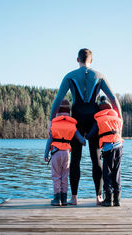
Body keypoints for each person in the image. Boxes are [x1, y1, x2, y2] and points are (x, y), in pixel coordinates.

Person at [48, 48, 123, 205]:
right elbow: (113, 98)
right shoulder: (100, 76)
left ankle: (74, 198)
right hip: (94, 119)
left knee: (75, 159)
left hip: (77, 119)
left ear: (78, 60)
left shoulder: (70, 76)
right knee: (96, 159)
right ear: (91, 60)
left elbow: (58, 100)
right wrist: (119, 119)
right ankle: (98, 197)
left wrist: (50, 122)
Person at [44, 99, 86, 206]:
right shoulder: (72, 125)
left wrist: (45, 154)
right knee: (64, 176)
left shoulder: (54, 124)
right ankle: (64, 199)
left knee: (56, 176)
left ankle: (56, 199)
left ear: (58, 111)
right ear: (68, 112)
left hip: (56, 152)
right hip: (66, 153)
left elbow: (50, 140)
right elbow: (82, 140)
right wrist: (85, 139)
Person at [86, 96, 124, 206]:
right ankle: (117, 200)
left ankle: (108, 200)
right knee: (117, 173)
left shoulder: (99, 120)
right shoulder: (117, 119)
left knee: (107, 174)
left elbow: (90, 135)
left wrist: (85, 136)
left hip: (108, 149)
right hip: (119, 147)